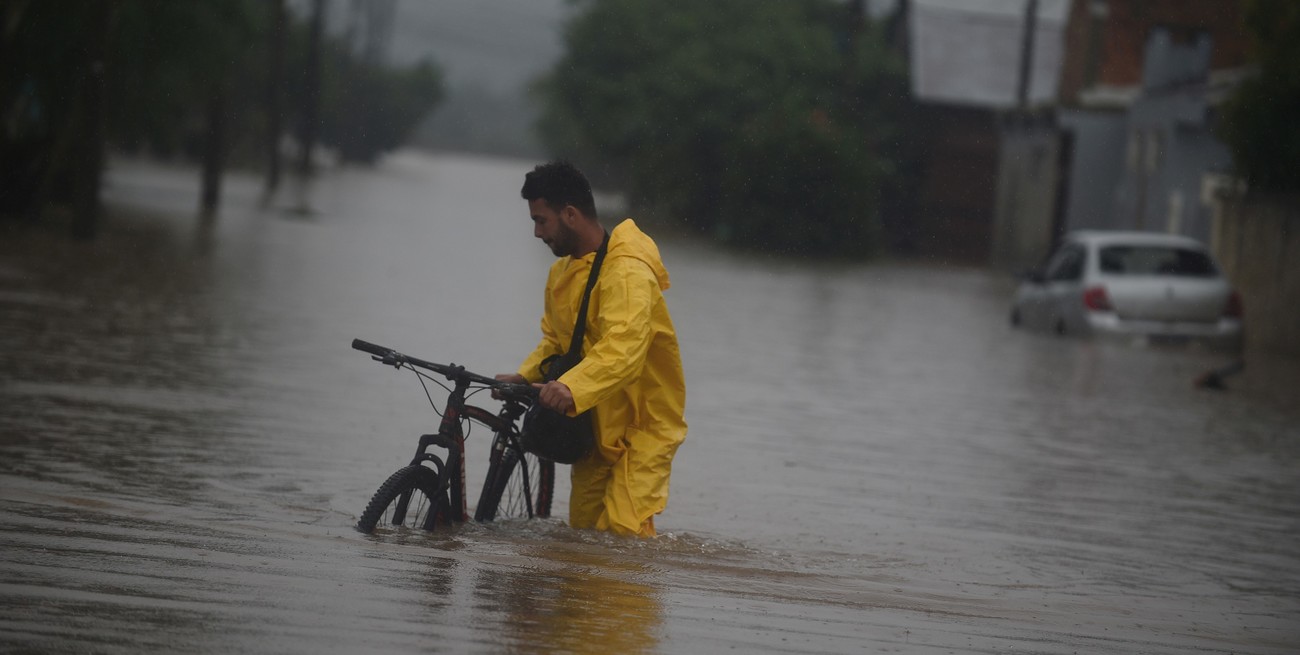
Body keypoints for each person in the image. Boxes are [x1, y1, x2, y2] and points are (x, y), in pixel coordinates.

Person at [496, 161, 687, 538]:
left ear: (569, 214)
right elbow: (556, 341)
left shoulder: (627, 272)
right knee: (584, 539)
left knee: (621, 537)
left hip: (641, 430)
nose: (536, 233)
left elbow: (624, 350)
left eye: (541, 220)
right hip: (594, 426)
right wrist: (525, 375)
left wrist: (570, 388)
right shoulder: (563, 273)